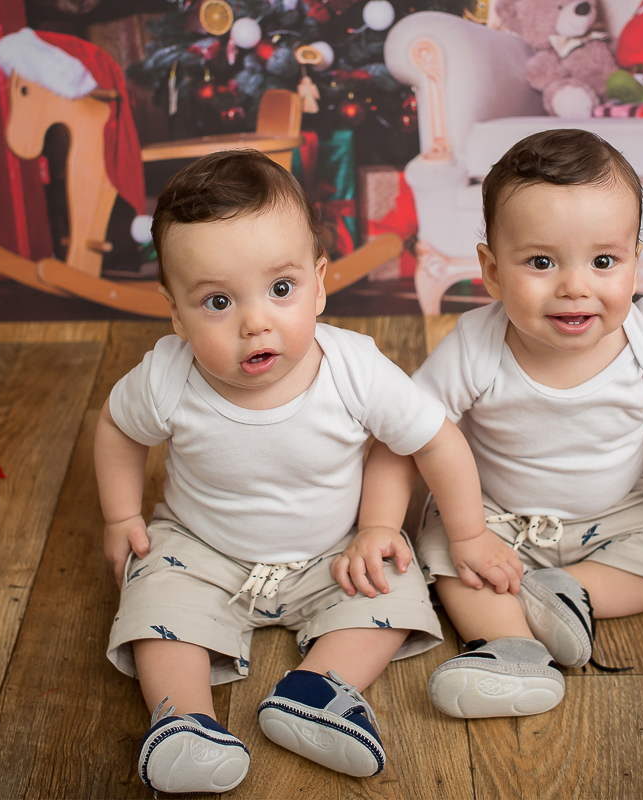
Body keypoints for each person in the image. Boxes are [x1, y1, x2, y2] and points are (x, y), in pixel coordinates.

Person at [94, 150, 512, 794]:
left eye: (280, 289)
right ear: (174, 311)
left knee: (396, 585)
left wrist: (465, 535)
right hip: (202, 546)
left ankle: (318, 690)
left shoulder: (354, 367)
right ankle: (182, 720)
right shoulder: (166, 376)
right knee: (153, 595)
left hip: (333, 550)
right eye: (216, 301)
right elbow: (119, 429)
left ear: (319, 284)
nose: (255, 321)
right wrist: (122, 514)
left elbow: (435, 441)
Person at [371, 128, 643, 719]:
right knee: (445, 549)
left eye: (604, 261)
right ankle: (510, 650)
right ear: (492, 272)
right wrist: (383, 523)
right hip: (493, 514)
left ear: (634, 262)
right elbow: (406, 433)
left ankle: (573, 595)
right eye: (542, 262)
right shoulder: (477, 347)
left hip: (615, 510)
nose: (576, 287)